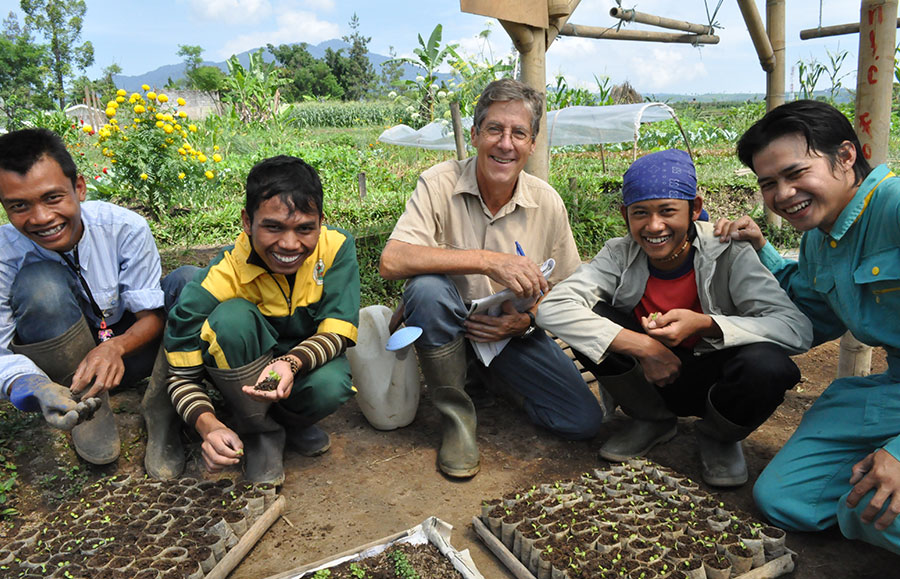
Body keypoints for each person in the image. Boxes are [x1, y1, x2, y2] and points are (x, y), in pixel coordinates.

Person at [537, 149, 812, 486]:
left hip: (716, 377)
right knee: (589, 317)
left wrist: (706, 323)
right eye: (640, 213)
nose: (654, 226)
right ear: (625, 214)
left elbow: (796, 329)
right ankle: (652, 419)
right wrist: (646, 348)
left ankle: (718, 434)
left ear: (694, 209)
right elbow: (552, 307)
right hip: (651, 377)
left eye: (668, 211)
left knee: (769, 364)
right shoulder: (619, 253)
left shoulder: (729, 249)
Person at [379, 78, 607, 479]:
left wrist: (529, 319)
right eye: (495, 130)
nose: (506, 143)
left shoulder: (547, 202)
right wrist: (487, 262)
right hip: (449, 325)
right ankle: (456, 419)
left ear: (532, 144)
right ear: (475, 134)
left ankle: (490, 378)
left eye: (519, 133)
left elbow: (569, 287)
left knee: (581, 421)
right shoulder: (439, 183)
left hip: (508, 333)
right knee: (426, 289)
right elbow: (392, 260)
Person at [713, 100, 900, 553]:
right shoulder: (820, 240)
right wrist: (759, 256)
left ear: (846, 156)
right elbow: (808, 317)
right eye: (769, 183)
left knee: (876, 509)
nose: (783, 193)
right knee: (786, 500)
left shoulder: (894, 209)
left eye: (796, 173)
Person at [0, 128, 192, 478]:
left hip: (132, 351)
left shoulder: (124, 228)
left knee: (190, 283)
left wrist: (115, 348)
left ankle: (163, 407)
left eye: (53, 198)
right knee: (39, 284)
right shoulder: (4, 254)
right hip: (68, 367)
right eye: (19, 206)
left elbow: (151, 316)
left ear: (80, 188)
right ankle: (87, 407)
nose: (41, 217)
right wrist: (35, 388)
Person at [164, 155, 359, 486]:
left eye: (305, 229)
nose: (289, 244)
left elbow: (338, 331)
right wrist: (207, 424)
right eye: (273, 227)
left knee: (332, 385)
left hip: (297, 370)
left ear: (321, 221)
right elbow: (181, 377)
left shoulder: (336, 247)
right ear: (246, 220)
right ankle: (259, 431)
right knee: (231, 319)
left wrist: (291, 362)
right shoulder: (220, 277)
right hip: (245, 382)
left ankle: (289, 425)